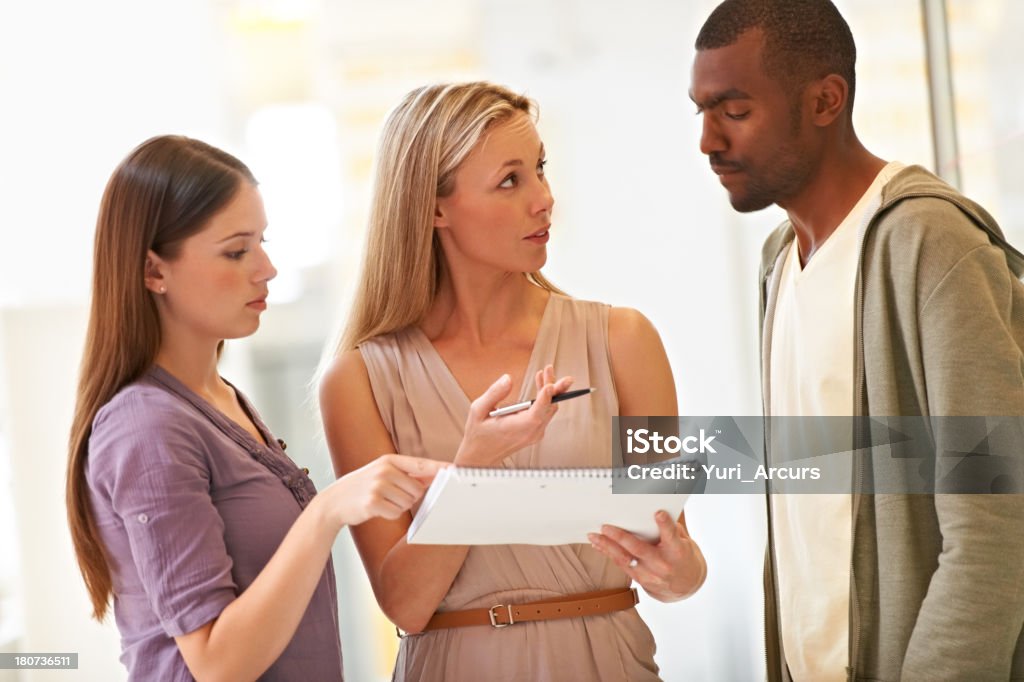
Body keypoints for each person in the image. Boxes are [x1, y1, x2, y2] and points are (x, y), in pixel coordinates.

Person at [65, 135, 545, 681]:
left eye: (261, 242)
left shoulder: (222, 402)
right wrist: (329, 510)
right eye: (236, 250)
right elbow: (217, 664)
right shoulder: (147, 426)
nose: (266, 268)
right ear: (155, 271)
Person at [319, 81, 707, 681]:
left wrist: (680, 570)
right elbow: (404, 603)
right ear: (434, 207)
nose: (544, 200)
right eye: (510, 180)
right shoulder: (359, 380)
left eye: (540, 170)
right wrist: (469, 472)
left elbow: (678, 564)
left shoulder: (625, 342)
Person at [690, 1, 1024, 680]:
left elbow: (997, 515)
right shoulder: (779, 260)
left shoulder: (931, 246)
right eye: (700, 110)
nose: (707, 139)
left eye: (734, 109)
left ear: (825, 100)